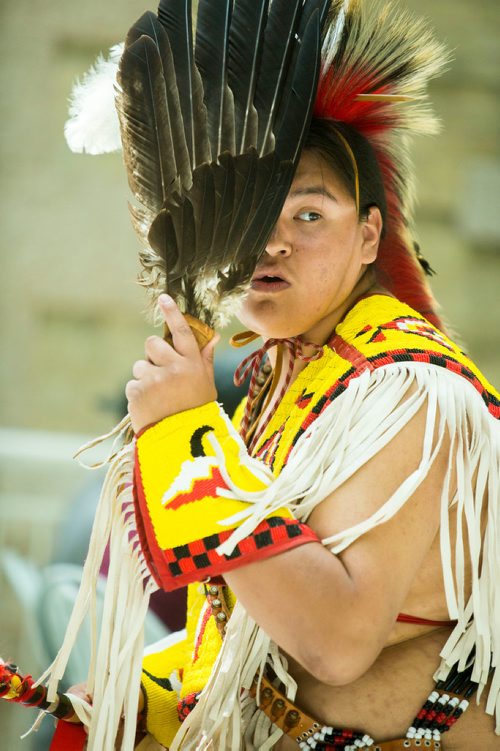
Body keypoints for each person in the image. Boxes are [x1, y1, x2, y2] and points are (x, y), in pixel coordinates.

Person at [50, 2, 499, 750]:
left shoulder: (409, 389)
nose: (271, 241)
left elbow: (336, 641)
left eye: (309, 216)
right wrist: (156, 691)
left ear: (368, 237)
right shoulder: (294, 374)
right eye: (251, 211)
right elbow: (267, 630)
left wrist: (191, 434)